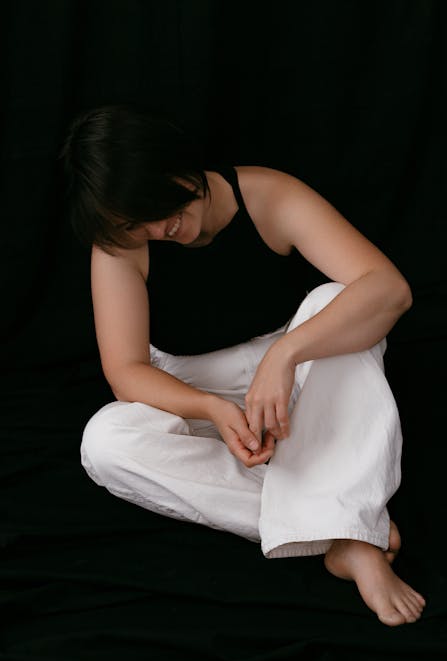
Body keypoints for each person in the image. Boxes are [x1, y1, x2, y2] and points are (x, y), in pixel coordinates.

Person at [60, 103, 426, 627]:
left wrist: (285, 354)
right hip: (194, 380)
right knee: (106, 441)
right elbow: (127, 372)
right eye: (138, 225)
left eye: (160, 210)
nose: (160, 230)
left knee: (337, 302)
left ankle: (339, 516)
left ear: (173, 166)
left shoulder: (268, 194)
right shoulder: (123, 244)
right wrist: (208, 406)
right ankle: (347, 528)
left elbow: (390, 289)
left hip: (292, 369)